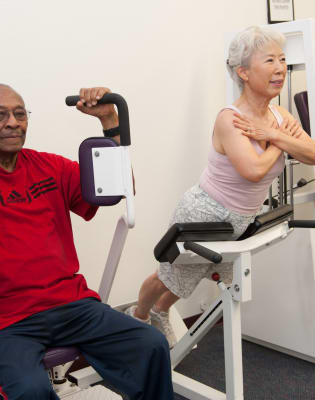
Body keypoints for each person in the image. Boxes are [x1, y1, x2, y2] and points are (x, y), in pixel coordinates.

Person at [125, 25, 315, 348]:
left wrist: (272, 135)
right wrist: (281, 143)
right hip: (203, 213)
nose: (280, 68)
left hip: (238, 219)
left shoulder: (279, 116)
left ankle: (159, 314)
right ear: (243, 71)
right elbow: (253, 171)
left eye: (282, 60)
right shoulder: (230, 119)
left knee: (195, 275)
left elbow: (311, 154)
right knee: (168, 276)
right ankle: (139, 316)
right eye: (270, 60)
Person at [0, 84, 174, 400]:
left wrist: (109, 120)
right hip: (9, 320)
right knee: (30, 390)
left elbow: (117, 186)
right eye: (1, 115)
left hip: (72, 304)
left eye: (19, 114)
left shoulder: (49, 167)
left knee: (150, 344)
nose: (13, 122)